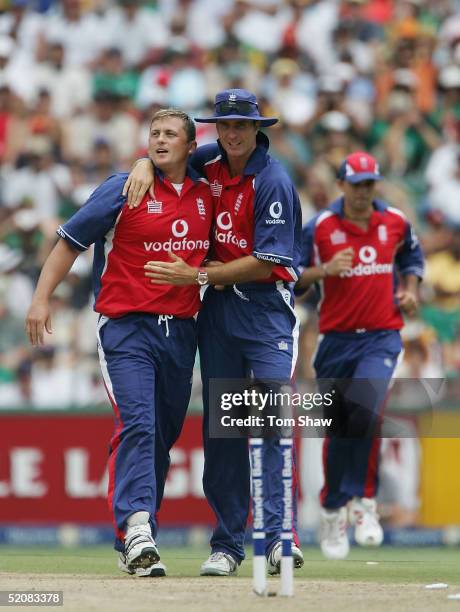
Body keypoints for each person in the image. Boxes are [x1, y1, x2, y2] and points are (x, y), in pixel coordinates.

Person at [25, 109, 213, 577]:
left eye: (171, 134)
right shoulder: (122, 186)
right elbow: (70, 243)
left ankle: (132, 534)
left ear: (191, 146)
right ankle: (138, 528)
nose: (160, 140)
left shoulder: (207, 188)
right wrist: (40, 299)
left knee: (163, 436)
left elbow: (238, 153)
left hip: (182, 330)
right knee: (139, 423)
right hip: (126, 327)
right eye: (154, 134)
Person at [124, 89, 304, 576]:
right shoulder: (210, 161)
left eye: (241, 126)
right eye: (224, 125)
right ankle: (227, 545)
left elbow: (268, 263)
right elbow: (170, 157)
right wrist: (144, 162)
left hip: (266, 311)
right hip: (219, 314)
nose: (232, 133)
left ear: (256, 128)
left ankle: (279, 534)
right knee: (223, 431)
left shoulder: (274, 181)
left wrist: (198, 276)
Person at [296, 151, 424, 559]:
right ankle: (334, 506)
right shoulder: (320, 228)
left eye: (370, 184)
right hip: (336, 340)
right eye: (356, 184)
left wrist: (410, 290)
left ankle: (365, 503)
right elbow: (292, 277)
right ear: (341, 186)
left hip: (382, 336)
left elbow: (413, 259)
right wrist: (325, 271)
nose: (363, 192)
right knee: (341, 427)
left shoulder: (395, 222)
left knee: (365, 411)